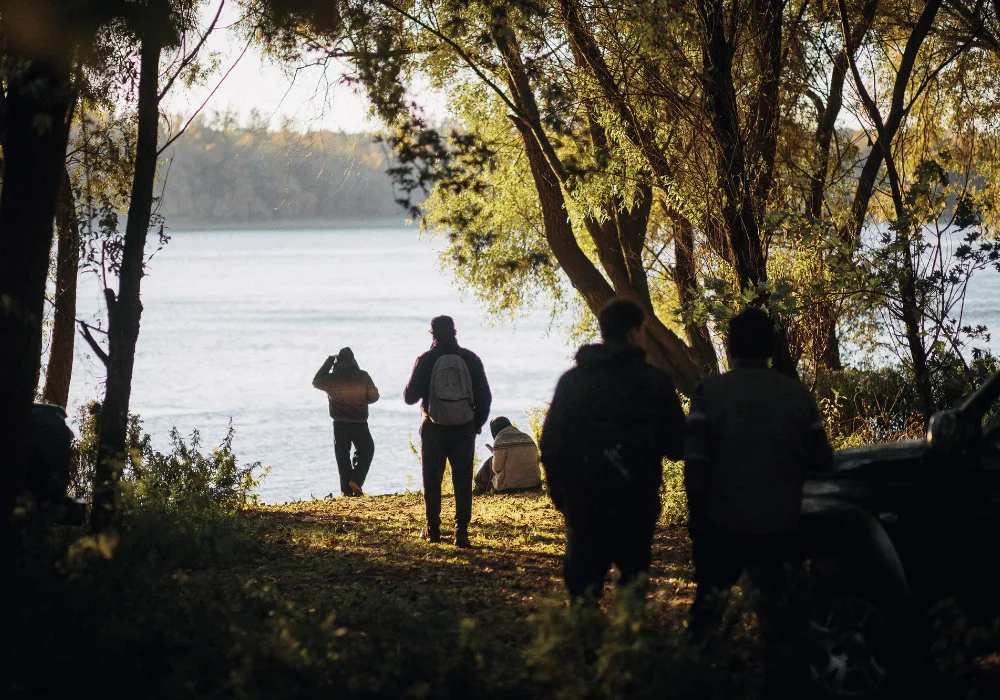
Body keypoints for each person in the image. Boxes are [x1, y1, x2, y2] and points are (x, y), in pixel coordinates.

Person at [684, 307, 835, 644]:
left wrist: (698, 519)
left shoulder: (707, 394)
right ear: (770, 349)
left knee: (707, 612)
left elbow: (696, 464)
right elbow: (823, 463)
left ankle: (699, 677)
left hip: (721, 523)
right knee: (782, 619)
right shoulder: (798, 396)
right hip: (780, 526)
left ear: (731, 348)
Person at [539, 298, 685, 607]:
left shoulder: (573, 381)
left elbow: (551, 444)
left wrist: (561, 496)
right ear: (634, 333)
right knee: (632, 591)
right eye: (643, 331)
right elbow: (678, 446)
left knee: (582, 592)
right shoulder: (655, 382)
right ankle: (626, 649)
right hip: (636, 503)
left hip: (584, 502)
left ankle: (586, 651)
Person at [404, 315, 492, 547]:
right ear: (455, 332)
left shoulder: (426, 359)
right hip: (464, 429)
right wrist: (476, 425)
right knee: (462, 481)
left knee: (432, 480)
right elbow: (485, 397)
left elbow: (409, 397)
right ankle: (461, 532)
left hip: (434, 427)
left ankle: (433, 530)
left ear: (432, 334)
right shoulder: (470, 359)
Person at [312, 347, 380, 497]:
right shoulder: (362, 376)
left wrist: (329, 360)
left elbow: (316, 381)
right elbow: (374, 396)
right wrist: (363, 400)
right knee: (367, 450)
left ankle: (346, 491)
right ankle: (356, 480)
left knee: (342, 456)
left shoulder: (331, 379)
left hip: (339, 424)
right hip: (360, 423)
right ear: (354, 360)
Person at [473, 416, 542, 495]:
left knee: (490, 461)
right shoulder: (527, 437)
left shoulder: (500, 439)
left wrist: (495, 455)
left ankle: (478, 491)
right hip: (535, 485)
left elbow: (497, 468)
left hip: (510, 488)